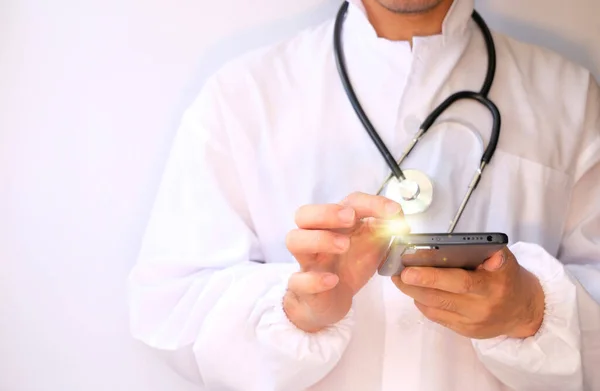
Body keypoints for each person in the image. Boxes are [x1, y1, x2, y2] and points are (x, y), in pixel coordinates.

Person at [127, 0, 600, 389]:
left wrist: (531, 310)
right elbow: (169, 308)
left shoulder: (573, 98)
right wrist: (297, 311)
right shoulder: (243, 96)